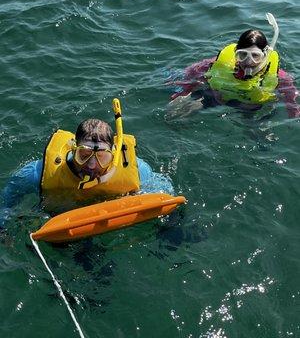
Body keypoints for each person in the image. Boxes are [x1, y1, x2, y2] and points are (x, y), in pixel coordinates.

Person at [0, 100, 174, 227]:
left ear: (113, 154)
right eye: (84, 155)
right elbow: (8, 199)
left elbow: (163, 192)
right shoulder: (38, 174)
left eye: (102, 157)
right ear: (73, 149)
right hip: (59, 219)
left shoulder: (137, 170)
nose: (91, 165)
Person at [167, 13, 300, 118]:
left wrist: (294, 113)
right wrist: (183, 91)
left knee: (261, 137)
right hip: (216, 98)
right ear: (236, 53)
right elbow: (193, 72)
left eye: (255, 56)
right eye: (243, 55)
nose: (248, 61)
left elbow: (290, 95)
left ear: (265, 55)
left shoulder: (278, 75)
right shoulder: (222, 63)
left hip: (251, 109)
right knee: (174, 114)